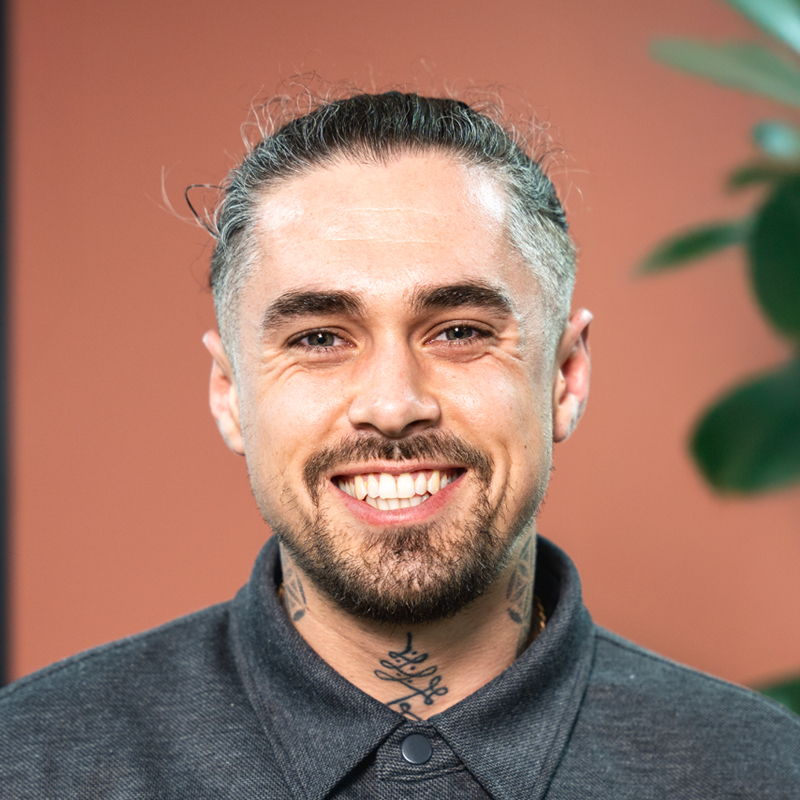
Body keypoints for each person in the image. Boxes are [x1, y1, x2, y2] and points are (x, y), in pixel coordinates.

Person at [1, 90, 799, 799]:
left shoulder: (768, 773)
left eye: (460, 331)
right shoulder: (26, 763)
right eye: (318, 338)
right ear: (229, 393)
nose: (392, 406)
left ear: (565, 377)